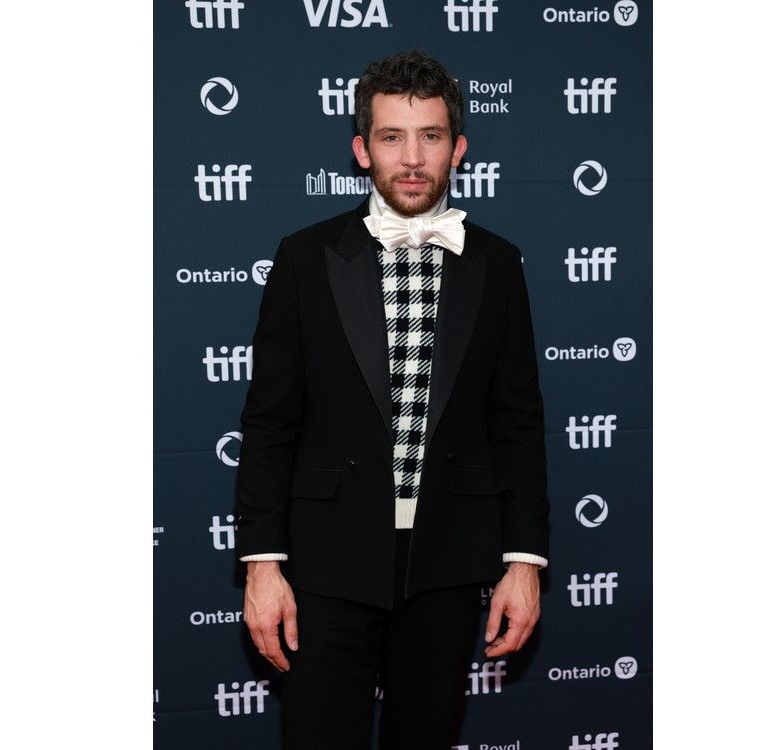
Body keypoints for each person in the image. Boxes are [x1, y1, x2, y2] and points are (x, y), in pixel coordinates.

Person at [235, 50, 549, 750]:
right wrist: (262, 563)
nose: (413, 158)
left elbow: (518, 423)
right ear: (361, 149)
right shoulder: (305, 257)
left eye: (430, 136)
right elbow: (269, 422)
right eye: (392, 136)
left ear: (458, 147)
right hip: (325, 564)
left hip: (447, 562)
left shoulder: (497, 265)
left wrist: (524, 563)